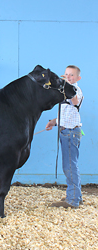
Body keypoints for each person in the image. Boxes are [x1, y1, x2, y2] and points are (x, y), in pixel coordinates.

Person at [45, 65, 83, 208]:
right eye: (66, 74)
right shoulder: (66, 91)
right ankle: (76, 196)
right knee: (71, 165)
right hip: (66, 130)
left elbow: (75, 102)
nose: (68, 76)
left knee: (69, 166)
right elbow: (67, 113)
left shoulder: (75, 90)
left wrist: (66, 85)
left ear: (78, 78)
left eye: (72, 75)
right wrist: (53, 122)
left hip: (70, 132)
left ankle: (72, 200)